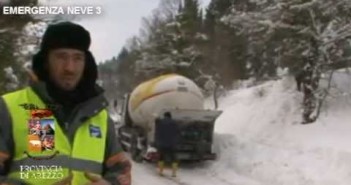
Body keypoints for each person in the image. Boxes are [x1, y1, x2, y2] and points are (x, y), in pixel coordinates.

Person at [0, 22, 131, 185]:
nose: (70, 68)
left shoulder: (99, 117)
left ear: (86, 63)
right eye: (61, 57)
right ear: (46, 61)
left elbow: (120, 171)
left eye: (77, 58)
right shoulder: (9, 107)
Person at [155, 112, 179, 177]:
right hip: (171, 144)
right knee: (174, 158)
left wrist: (156, 119)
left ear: (164, 116)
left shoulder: (160, 122)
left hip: (162, 144)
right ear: (170, 116)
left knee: (161, 158)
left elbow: (157, 129)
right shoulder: (174, 123)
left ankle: (161, 172)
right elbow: (177, 132)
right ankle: (174, 173)